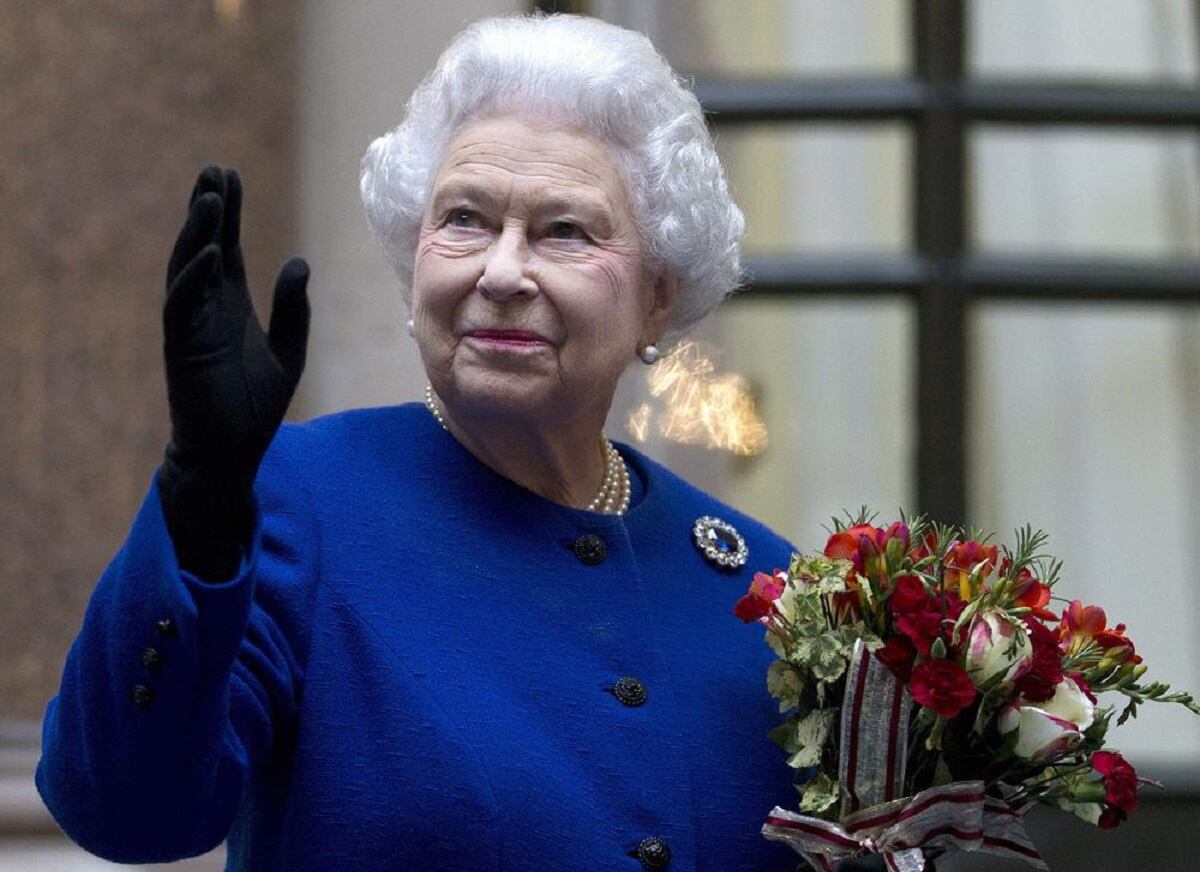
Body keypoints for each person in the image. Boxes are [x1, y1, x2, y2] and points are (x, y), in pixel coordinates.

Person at [35, 12, 879, 871]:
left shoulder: (759, 587)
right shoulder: (299, 505)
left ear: (657, 298)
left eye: (563, 231)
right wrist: (200, 494)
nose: (501, 273)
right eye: (466, 219)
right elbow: (126, 813)